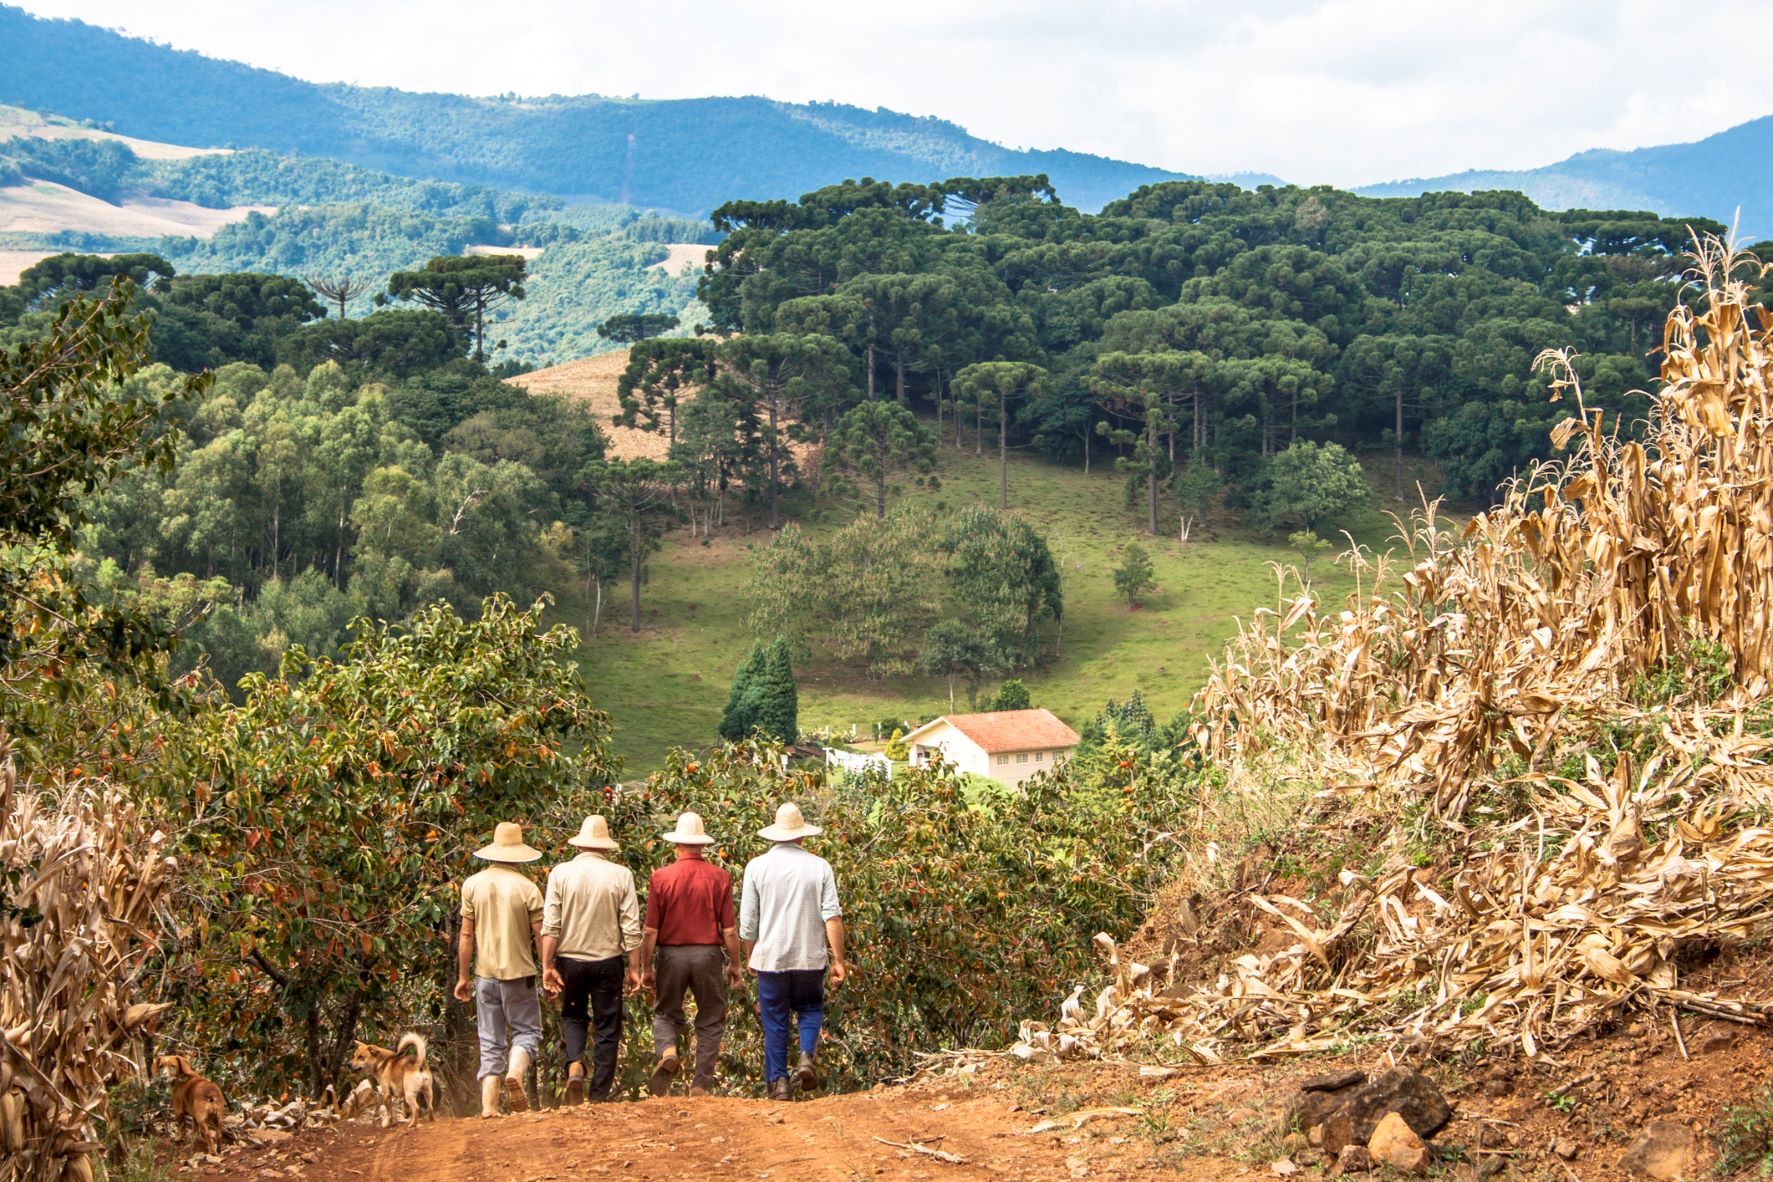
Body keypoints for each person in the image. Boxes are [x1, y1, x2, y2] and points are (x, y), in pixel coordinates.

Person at [740, 802, 846, 1101]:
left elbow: (749, 922)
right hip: (809, 956)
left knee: (775, 1018)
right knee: (811, 1008)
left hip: (771, 958)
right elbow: (832, 916)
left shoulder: (756, 867)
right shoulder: (819, 866)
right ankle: (805, 1057)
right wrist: (837, 960)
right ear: (803, 836)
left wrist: (751, 956)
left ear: (775, 834)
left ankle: (779, 1083)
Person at [637, 811, 744, 1097]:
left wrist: (646, 967)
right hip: (707, 955)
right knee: (710, 1017)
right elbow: (730, 930)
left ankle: (668, 1050)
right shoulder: (720, 877)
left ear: (677, 845)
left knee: (666, 1012)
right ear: (703, 845)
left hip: (670, 955)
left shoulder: (660, 878)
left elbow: (650, 930)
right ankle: (701, 1083)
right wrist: (736, 964)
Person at [540, 815, 642, 1105]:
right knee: (607, 1027)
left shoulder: (560, 873)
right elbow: (630, 927)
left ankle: (574, 1063)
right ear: (606, 846)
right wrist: (634, 968)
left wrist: (547, 966)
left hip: (570, 961)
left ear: (581, 843)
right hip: (608, 962)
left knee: (573, 1015)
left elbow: (551, 925)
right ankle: (599, 1097)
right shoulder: (621, 875)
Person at [454, 821, 545, 1118]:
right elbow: (539, 934)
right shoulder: (528, 888)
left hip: (485, 975)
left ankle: (489, 1107)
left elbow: (466, 935)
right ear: (519, 854)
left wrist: (463, 977)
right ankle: (516, 1073)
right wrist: (548, 969)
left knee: (490, 1040)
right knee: (527, 1032)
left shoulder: (472, 884)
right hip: (520, 974)